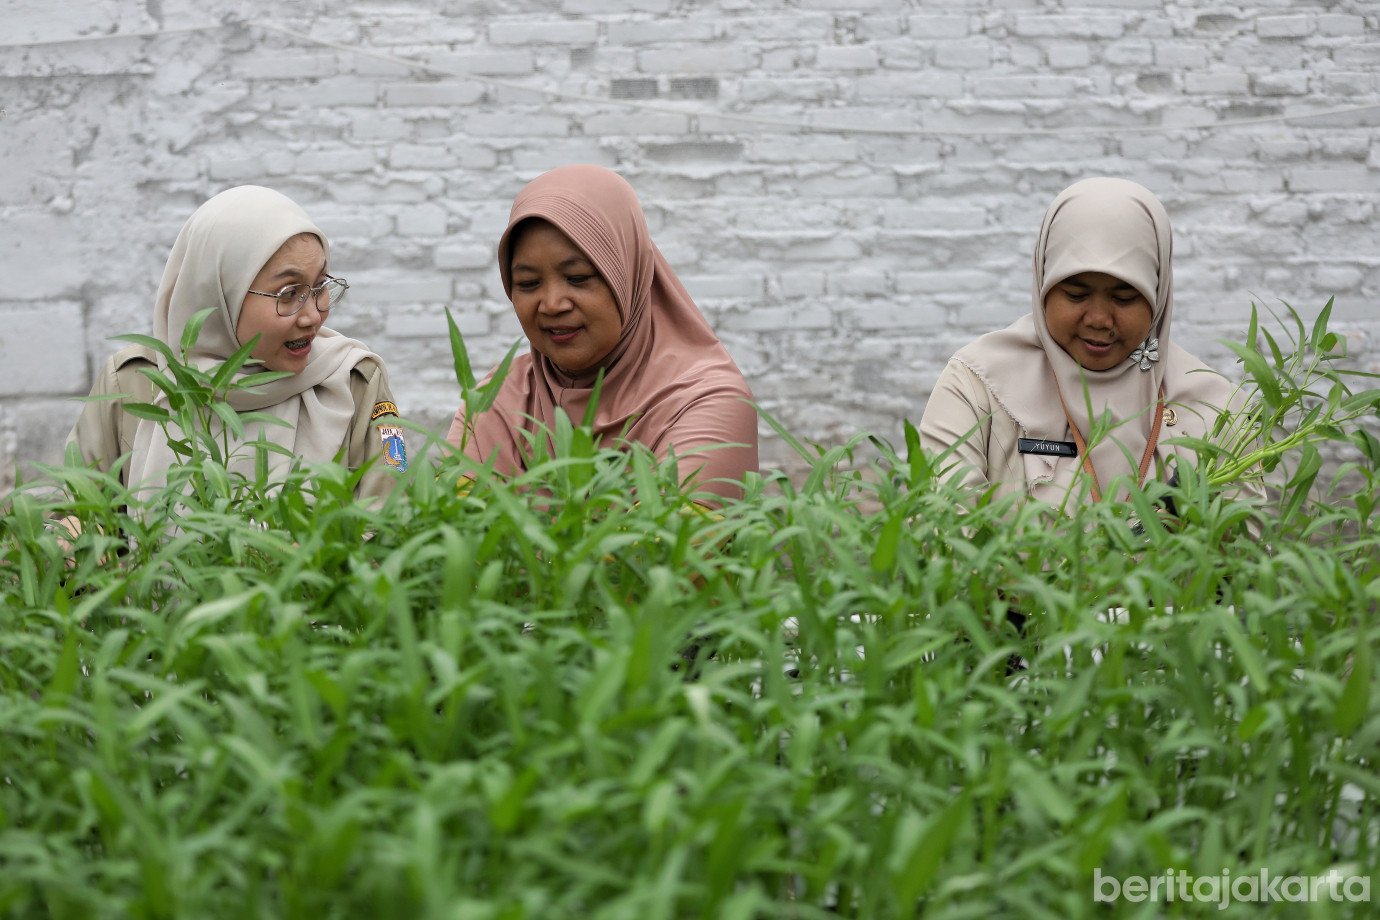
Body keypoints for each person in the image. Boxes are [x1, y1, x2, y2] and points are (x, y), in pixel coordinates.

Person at [67, 185, 406, 503]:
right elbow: (70, 513)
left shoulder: (355, 382)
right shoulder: (135, 383)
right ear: (219, 296)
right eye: (289, 294)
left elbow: (392, 519)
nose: (313, 316)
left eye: (319, 286)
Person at [920, 177, 1242, 507]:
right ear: (1044, 285)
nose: (1098, 319)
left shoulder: (1217, 408)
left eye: (1124, 298)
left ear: (1158, 297)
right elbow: (942, 523)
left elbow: (1249, 533)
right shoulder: (976, 386)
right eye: (1076, 294)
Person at [446, 164, 758, 504]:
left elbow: (664, 536)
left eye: (578, 278)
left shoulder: (705, 400)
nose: (552, 304)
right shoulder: (499, 397)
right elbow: (451, 524)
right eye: (528, 283)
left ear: (628, 274)